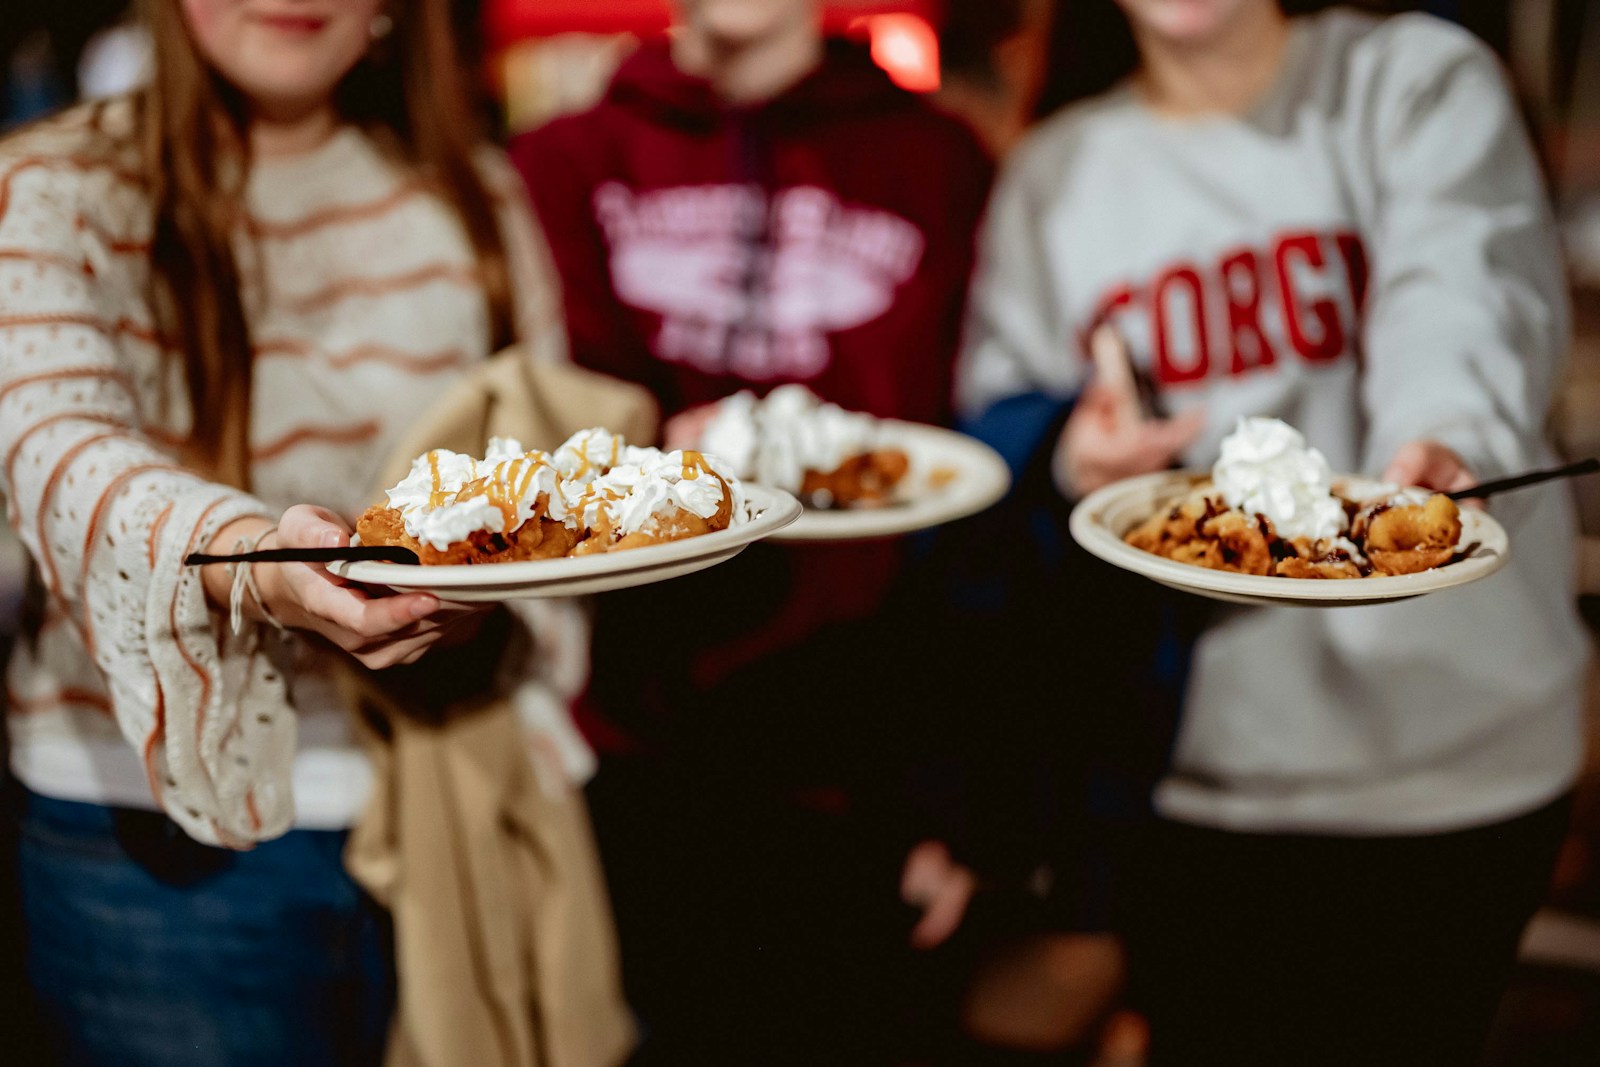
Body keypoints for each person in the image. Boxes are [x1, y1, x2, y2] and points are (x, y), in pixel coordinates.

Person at [957, 1, 1590, 1064]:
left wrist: (1446, 437)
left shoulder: (1409, 78)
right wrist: (1071, 453)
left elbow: (1464, 291)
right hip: (1202, 773)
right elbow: (999, 418)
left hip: (1456, 754)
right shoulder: (1054, 172)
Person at [0, 1, 621, 1063]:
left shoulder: (477, 196)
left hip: (444, 799)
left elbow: (534, 493)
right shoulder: (50, 186)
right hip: (148, 838)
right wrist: (263, 564)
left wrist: (499, 611)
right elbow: (58, 453)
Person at [508, 0, 994, 1060]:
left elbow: (970, 519)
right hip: (622, 748)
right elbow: (531, 444)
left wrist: (950, 794)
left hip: (863, 760)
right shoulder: (557, 163)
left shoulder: (941, 161)